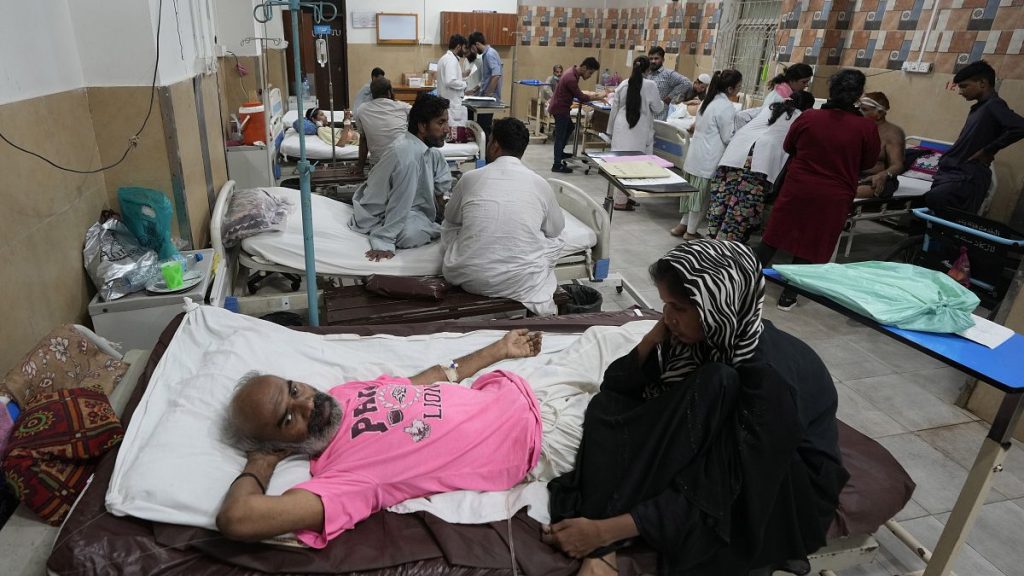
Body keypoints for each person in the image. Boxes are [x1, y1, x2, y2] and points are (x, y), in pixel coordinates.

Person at [545, 241, 848, 575]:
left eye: (680, 308)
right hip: (742, 444)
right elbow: (617, 388)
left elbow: (725, 483)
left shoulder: (767, 380)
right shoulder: (715, 340)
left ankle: (602, 544)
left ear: (720, 304)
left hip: (785, 481)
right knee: (611, 406)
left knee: (711, 385)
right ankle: (603, 535)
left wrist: (604, 533)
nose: (669, 319)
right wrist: (650, 341)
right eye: (665, 306)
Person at [216, 329, 546, 547]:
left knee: (600, 336)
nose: (307, 404)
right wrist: (261, 460)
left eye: (293, 389)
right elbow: (237, 518)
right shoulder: (343, 477)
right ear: (279, 444)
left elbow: (425, 380)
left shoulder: (342, 393)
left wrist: (499, 349)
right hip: (541, 438)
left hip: (523, 386)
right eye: (288, 418)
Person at [758, 69, 880, 310]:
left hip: (799, 187)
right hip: (833, 195)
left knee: (773, 236)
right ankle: (789, 295)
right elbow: (867, 163)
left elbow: (789, 146)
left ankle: (743, 283)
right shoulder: (866, 128)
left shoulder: (808, 118)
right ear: (859, 95)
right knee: (811, 244)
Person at [442, 118, 565, 316]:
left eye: (489, 141)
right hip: (521, 281)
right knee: (556, 238)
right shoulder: (539, 184)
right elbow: (556, 229)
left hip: (468, 277)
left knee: (450, 226)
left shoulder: (469, 179)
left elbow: (451, 217)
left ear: (495, 146)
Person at [349, 93, 453, 261]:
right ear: (422, 126)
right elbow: (399, 202)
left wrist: (447, 207)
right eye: (441, 123)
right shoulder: (407, 155)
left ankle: (439, 225)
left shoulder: (428, 152)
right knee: (410, 234)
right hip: (380, 213)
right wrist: (384, 241)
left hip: (410, 209)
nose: (447, 129)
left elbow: (443, 189)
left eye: (446, 122)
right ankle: (439, 229)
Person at [707, 91, 816, 243]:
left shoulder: (771, 108)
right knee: (741, 209)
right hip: (758, 161)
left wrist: (744, 135)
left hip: (736, 152)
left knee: (722, 199)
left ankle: (711, 240)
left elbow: (741, 116)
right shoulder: (801, 117)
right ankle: (725, 247)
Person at [925, 60, 1024, 214]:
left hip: (967, 176)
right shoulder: (980, 108)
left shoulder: (994, 105)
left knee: (946, 219)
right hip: (955, 173)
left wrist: (988, 150)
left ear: (982, 83)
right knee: (933, 216)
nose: (960, 91)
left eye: (964, 86)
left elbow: (1020, 126)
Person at [672, 70, 743, 239]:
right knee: (702, 198)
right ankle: (690, 231)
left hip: (696, 156)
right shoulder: (725, 106)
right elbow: (728, 137)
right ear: (731, 89)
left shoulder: (708, 101)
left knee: (693, 195)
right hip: (708, 158)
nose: (740, 89)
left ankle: (682, 226)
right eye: (739, 86)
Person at [607, 56, 664, 210]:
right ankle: (621, 201)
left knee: (618, 163)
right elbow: (658, 109)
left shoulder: (623, 85)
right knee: (633, 164)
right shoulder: (650, 85)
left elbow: (614, 109)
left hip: (621, 126)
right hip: (639, 128)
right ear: (647, 70)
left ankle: (618, 197)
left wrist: (610, 131)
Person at [548, 56, 600, 173]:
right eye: (590, 73)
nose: (590, 76)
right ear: (584, 68)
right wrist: (598, 96)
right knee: (560, 137)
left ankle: (560, 152)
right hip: (560, 109)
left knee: (570, 127)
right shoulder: (571, 78)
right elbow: (581, 97)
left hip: (562, 108)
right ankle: (556, 164)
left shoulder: (573, 72)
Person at [855, 92, 907, 199]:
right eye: (859, 108)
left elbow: (897, 165)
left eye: (864, 110)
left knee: (847, 193)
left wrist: (883, 175)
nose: (859, 112)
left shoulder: (892, 133)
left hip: (878, 179)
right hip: (851, 176)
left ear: (879, 113)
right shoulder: (857, 128)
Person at [354, 77, 411, 171]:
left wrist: (360, 167)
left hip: (378, 166)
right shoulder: (404, 107)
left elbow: (363, 140)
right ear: (389, 92)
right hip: (403, 163)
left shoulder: (361, 110)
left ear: (372, 94)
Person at [467, 31, 503, 135]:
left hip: (488, 99)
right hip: (484, 97)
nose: (473, 51)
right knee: (479, 126)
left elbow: (496, 75)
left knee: (483, 128)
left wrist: (488, 94)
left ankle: (485, 150)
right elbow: (486, 78)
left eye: (472, 48)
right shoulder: (486, 54)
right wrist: (475, 90)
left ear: (477, 44)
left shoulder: (489, 54)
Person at [646, 46, 692, 121]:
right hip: (646, 117)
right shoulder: (646, 74)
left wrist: (670, 96)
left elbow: (686, 83)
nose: (653, 61)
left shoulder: (669, 74)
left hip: (660, 118)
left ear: (663, 60)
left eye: (656, 58)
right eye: (651, 59)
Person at [438, 34, 469, 128]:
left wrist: (462, 77)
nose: (465, 51)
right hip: (452, 105)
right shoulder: (451, 60)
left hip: (448, 102)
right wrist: (465, 84)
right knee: (455, 133)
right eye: (464, 48)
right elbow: (450, 81)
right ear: (458, 47)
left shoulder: (445, 58)